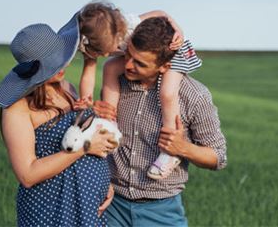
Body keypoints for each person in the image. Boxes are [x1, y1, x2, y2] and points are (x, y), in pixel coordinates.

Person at [93, 16, 227, 227]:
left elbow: (218, 157)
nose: (128, 65)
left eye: (139, 63)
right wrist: (93, 117)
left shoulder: (194, 96)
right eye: (128, 55)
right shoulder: (115, 85)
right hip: (110, 205)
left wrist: (183, 148)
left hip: (161, 212)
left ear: (165, 66)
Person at [0, 18, 118, 226]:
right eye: (53, 62)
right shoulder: (17, 109)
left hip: (88, 205)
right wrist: (84, 149)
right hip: (51, 209)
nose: (62, 65)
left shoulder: (67, 88)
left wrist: (105, 184)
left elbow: (81, 135)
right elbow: (28, 174)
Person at [72, 0, 202, 180]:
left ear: (119, 32)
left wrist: (177, 28)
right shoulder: (92, 39)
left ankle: (169, 152)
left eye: (108, 49)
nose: (103, 55)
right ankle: (110, 126)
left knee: (167, 93)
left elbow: (160, 12)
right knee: (110, 68)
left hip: (172, 51)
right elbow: (88, 74)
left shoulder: (131, 23)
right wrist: (85, 99)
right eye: (99, 52)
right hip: (137, 55)